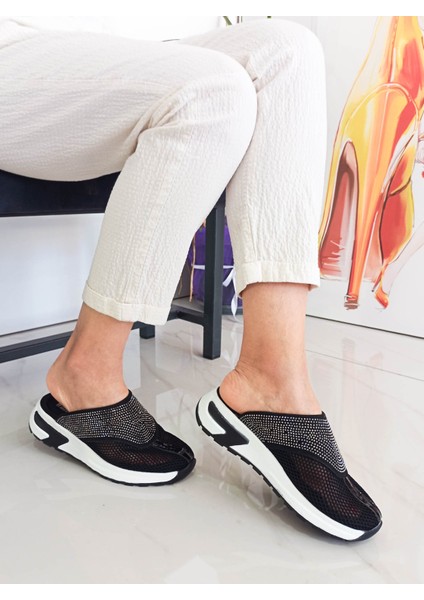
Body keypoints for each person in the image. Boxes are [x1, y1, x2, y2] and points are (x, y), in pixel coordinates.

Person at [0, 16, 382, 541]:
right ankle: (84, 372)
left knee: (290, 49)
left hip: (103, 37)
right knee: (211, 93)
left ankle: (272, 375)